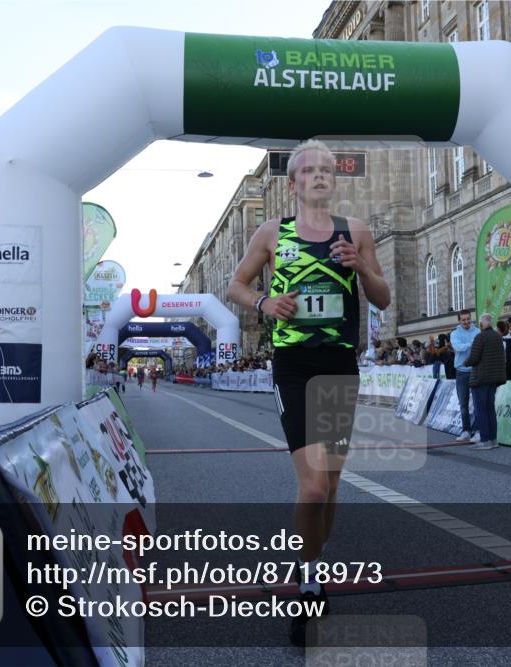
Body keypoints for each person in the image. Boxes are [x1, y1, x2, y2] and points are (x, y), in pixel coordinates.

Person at [226, 139, 390, 635]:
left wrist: (361, 267)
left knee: (332, 485)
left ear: (333, 181)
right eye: (309, 170)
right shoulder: (272, 232)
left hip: (338, 365)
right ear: (294, 183)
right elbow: (236, 285)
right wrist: (264, 304)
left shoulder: (355, 231)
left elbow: (382, 296)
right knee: (314, 484)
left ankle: (315, 556)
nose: (319, 176)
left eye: (326, 170)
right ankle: (309, 579)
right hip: (294, 367)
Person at [465, 313, 506, 451]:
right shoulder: (498, 337)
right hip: (494, 379)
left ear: (482, 323)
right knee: (490, 409)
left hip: (480, 378)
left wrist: (465, 362)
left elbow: (474, 358)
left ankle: (485, 440)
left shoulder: (480, 337)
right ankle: (493, 440)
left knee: (481, 410)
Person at [450, 310, 480, 442]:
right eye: (463, 320)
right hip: (461, 372)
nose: (466, 322)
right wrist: (472, 344)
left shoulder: (478, 331)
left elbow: (480, 348)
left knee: (478, 402)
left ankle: (478, 431)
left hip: (476, 370)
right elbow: (458, 347)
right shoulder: (454, 334)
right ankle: (466, 431)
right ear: (459, 321)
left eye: (468, 319)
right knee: (463, 404)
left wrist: (467, 346)